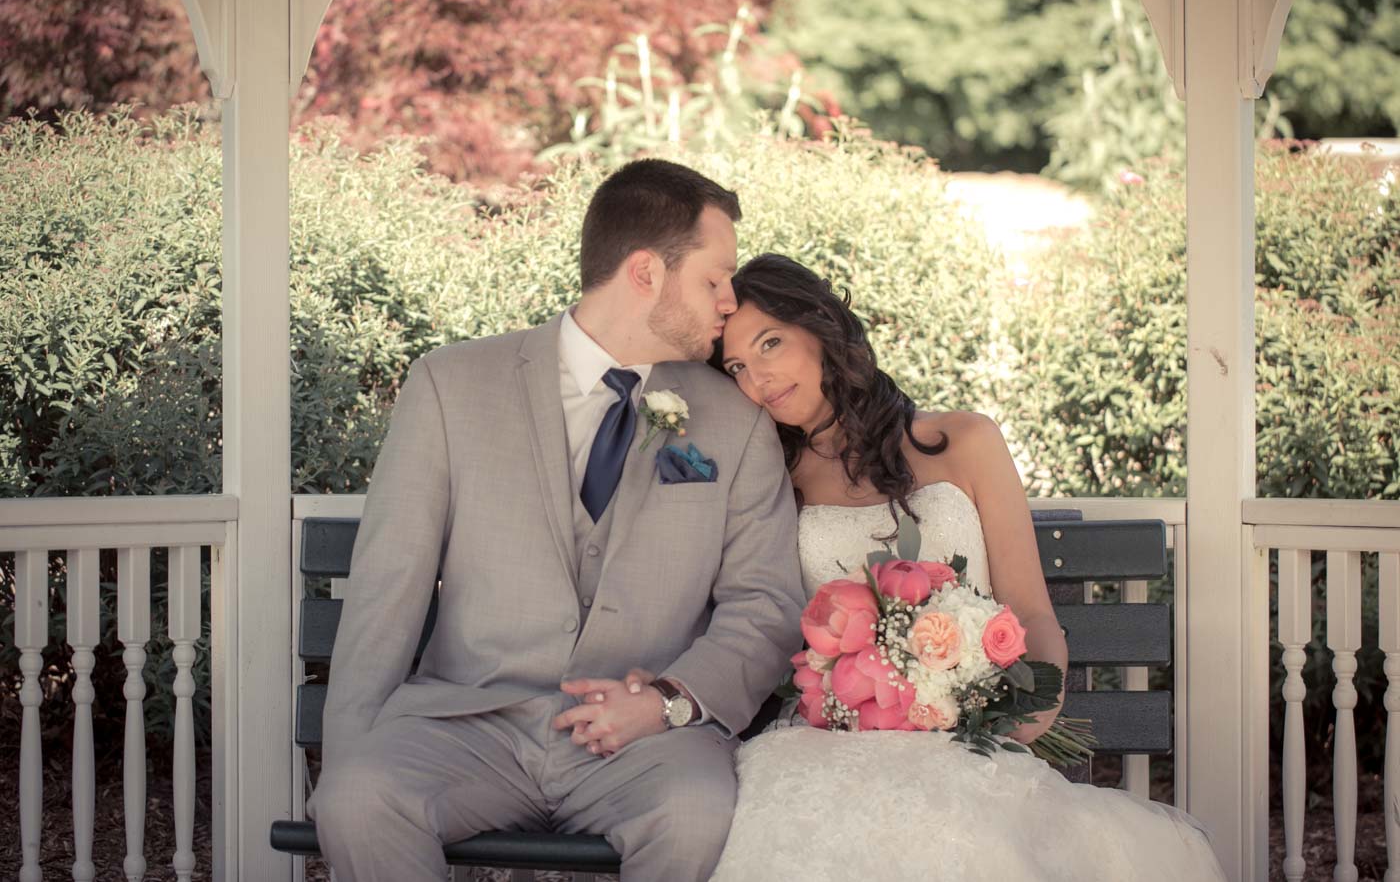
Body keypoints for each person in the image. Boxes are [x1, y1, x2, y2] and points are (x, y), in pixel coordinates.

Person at [309, 163, 806, 882]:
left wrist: (665, 701)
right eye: (713, 279)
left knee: (698, 813)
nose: (731, 301)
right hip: (470, 723)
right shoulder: (451, 385)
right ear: (644, 272)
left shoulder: (736, 420)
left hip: (648, 741)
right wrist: (348, 755)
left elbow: (766, 602)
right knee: (358, 800)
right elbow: (390, 584)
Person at [703, 253, 1227, 881]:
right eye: (736, 366)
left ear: (820, 327)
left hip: (968, 735)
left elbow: (1030, 610)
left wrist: (1016, 723)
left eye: (770, 344)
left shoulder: (967, 440)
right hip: (834, 740)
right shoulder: (767, 476)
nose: (757, 377)